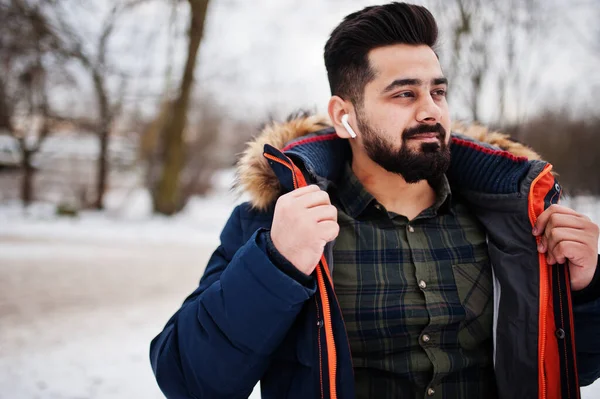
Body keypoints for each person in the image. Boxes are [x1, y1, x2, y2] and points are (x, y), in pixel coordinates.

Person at [150, 3, 600, 398]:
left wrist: (586, 289)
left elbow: (575, 369)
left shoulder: (512, 219)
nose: (431, 110)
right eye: (404, 93)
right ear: (345, 116)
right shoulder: (276, 221)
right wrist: (276, 264)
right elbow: (187, 380)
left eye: (437, 91)